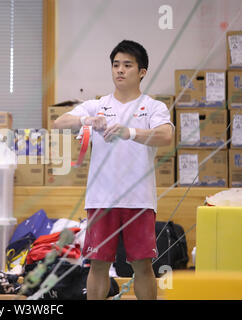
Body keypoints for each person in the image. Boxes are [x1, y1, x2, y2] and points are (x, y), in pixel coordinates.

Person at [53, 40, 174, 300]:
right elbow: (59, 122)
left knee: (142, 265)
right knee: (98, 264)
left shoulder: (153, 107)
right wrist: (87, 119)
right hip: (101, 199)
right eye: (116, 65)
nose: (120, 70)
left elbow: (166, 136)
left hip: (138, 200)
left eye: (127, 65)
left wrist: (129, 131)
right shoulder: (98, 105)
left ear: (142, 72)